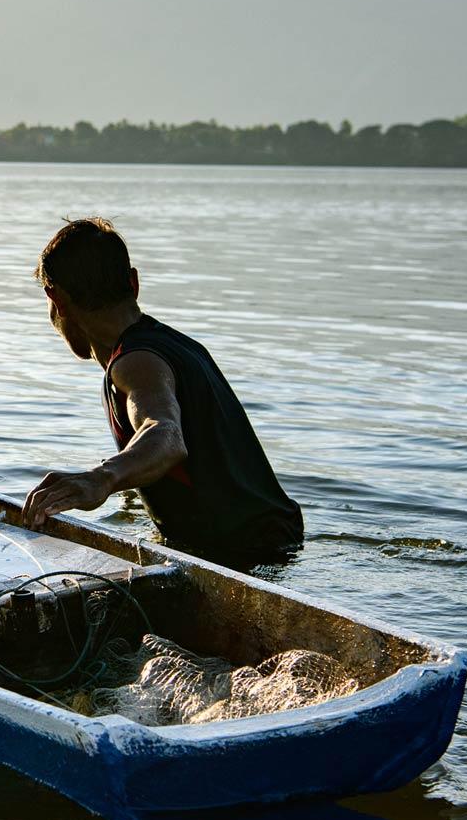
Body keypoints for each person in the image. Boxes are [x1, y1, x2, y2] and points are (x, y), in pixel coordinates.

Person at [23, 218, 302, 566]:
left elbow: (166, 435)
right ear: (134, 282)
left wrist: (101, 478)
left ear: (56, 300)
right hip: (282, 539)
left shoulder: (134, 362)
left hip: (239, 556)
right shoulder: (179, 346)